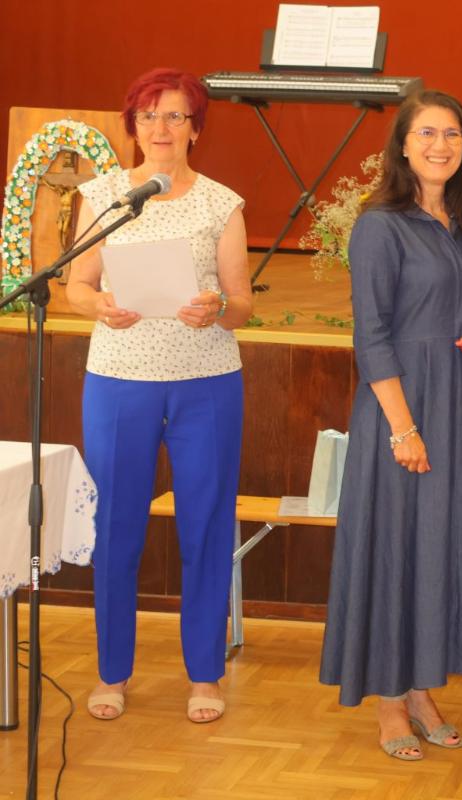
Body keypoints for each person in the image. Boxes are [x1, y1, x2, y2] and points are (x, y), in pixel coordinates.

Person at [66, 67, 253, 723]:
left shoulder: (221, 204)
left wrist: (216, 308)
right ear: (133, 126)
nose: (161, 128)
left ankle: (205, 675)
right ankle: (112, 672)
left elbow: (241, 303)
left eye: (175, 116)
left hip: (206, 382)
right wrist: (100, 305)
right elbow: (76, 285)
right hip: (120, 379)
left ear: (196, 129)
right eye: (148, 116)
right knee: (116, 525)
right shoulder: (104, 195)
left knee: (206, 525)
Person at [319, 90, 462, 762]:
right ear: (401, 144)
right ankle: (391, 703)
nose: (439, 145)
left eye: (452, 134)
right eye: (426, 133)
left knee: (438, 547)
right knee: (396, 548)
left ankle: (422, 690)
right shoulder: (379, 226)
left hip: (457, 401)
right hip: (402, 407)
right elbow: (371, 336)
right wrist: (402, 428)